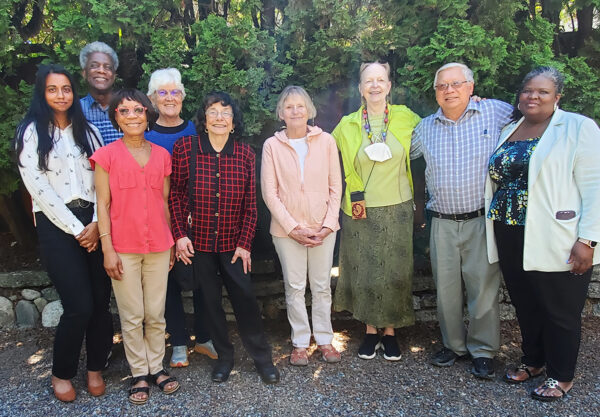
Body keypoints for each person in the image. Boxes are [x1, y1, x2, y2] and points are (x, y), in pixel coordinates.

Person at [484, 66, 600, 401]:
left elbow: (595, 188)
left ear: (557, 96)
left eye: (542, 92)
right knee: (526, 303)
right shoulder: (511, 128)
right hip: (510, 230)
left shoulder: (578, 127)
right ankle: (534, 361)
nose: (533, 96)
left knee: (559, 309)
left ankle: (562, 376)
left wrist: (588, 240)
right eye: (527, 91)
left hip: (557, 236)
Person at [14, 64, 111, 402]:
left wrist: (98, 222)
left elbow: (104, 180)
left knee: (100, 302)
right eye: (53, 89)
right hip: (58, 226)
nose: (61, 95)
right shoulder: (31, 133)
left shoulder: (89, 132)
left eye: (66, 89)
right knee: (78, 305)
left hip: (95, 222)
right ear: (43, 93)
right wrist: (76, 228)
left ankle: (96, 368)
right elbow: (38, 188)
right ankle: (62, 372)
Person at [410, 62, 512, 379]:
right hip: (441, 221)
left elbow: (532, 116)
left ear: (471, 86)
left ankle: (483, 350)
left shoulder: (495, 112)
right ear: (436, 92)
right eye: (442, 86)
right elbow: (398, 155)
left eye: (456, 84)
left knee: (483, 287)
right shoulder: (424, 128)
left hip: (480, 219)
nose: (449, 90)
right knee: (446, 288)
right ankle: (453, 345)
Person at [170, 91, 279, 384]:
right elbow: (176, 195)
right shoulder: (185, 148)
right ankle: (225, 358)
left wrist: (245, 243)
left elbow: (250, 204)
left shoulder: (245, 154)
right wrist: (180, 235)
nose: (219, 117)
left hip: (234, 246)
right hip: (199, 244)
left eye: (226, 113)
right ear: (203, 120)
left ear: (233, 123)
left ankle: (262, 359)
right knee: (210, 304)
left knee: (245, 300)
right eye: (213, 111)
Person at [91, 89, 180, 405]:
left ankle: (157, 367)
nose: (132, 116)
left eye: (138, 110)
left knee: (155, 313)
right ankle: (139, 372)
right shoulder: (107, 156)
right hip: (123, 248)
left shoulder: (162, 156)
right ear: (115, 116)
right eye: (124, 111)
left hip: (158, 244)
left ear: (147, 114)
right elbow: (102, 204)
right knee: (132, 315)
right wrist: (107, 248)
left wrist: (170, 243)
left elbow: (166, 202)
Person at [333, 61, 421, 361]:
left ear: (388, 85)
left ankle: (391, 332)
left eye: (380, 79)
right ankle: (371, 331)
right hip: (360, 209)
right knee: (366, 271)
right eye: (368, 80)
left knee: (396, 270)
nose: (374, 85)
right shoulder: (347, 125)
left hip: (398, 207)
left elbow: (437, 131)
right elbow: (326, 154)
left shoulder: (406, 118)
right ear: (360, 88)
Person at [261, 86, 343, 365]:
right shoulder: (272, 146)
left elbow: (336, 187)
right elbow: (269, 193)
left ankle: (324, 339)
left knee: (321, 286)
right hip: (286, 232)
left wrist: (328, 224)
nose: (295, 111)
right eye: (289, 106)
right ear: (281, 113)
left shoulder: (327, 142)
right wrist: (293, 228)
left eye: (300, 106)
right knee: (294, 287)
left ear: (309, 109)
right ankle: (298, 342)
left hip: (323, 229)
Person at [145, 68, 217, 367]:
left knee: (203, 279)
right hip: (159, 219)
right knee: (169, 282)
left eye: (175, 92)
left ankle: (203, 338)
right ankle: (177, 341)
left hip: (198, 221)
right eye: (163, 92)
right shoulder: (145, 136)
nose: (170, 98)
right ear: (152, 99)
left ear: (184, 97)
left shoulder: (197, 133)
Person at [79, 41, 120, 145]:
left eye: (108, 67)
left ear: (114, 75)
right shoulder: (75, 110)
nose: (101, 71)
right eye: (94, 65)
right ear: (84, 73)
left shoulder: (128, 109)